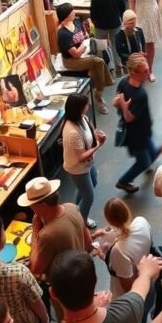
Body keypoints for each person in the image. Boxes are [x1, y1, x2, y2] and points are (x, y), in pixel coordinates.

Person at [31, 250, 162, 323]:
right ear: (95, 280)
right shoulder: (128, 311)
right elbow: (140, 288)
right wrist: (146, 273)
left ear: (52, 293)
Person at [114, 54, 162, 194]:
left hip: (143, 129)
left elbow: (115, 100)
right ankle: (123, 181)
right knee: (143, 162)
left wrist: (119, 102)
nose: (148, 73)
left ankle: (154, 153)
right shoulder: (140, 94)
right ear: (133, 72)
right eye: (145, 71)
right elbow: (129, 118)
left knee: (148, 147)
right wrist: (124, 106)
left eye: (147, 69)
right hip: (135, 134)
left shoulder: (124, 82)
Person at [56, 3, 114, 114]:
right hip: (71, 62)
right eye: (71, 10)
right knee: (99, 61)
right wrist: (83, 46)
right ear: (67, 15)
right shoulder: (62, 33)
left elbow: (84, 35)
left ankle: (97, 93)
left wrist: (86, 38)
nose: (74, 12)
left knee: (95, 69)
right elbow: (76, 54)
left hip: (84, 54)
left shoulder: (76, 22)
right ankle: (100, 93)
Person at [61, 93, 107, 226]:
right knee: (88, 197)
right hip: (77, 168)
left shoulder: (83, 118)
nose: (88, 106)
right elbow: (80, 157)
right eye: (86, 105)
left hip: (88, 164)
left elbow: (91, 129)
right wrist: (98, 145)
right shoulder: (72, 132)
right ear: (79, 108)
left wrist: (97, 134)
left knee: (92, 183)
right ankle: (80, 223)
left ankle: (75, 211)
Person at [96, 197, 154, 296]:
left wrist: (104, 257)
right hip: (149, 279)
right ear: (127, 210)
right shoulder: (141, 221)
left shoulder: (118, 251)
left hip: (128, 294)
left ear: (109, 220)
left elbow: (129, 289)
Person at [128, 0, 162, 80]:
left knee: (150, 43)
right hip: (140, 14)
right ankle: (139, 69)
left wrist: (158, 12)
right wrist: (132, 15)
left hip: (152, 15)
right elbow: (131, 1)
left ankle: (149, 70)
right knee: (138, 44)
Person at [91, 0, 127, 76]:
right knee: (116, 45)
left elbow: (93, 10)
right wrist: (121, 19)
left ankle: (104, 68)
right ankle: (118, 67)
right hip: (115, 23)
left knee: (100, 46)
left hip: (100, 25)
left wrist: (93, 20)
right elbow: (122, 9)